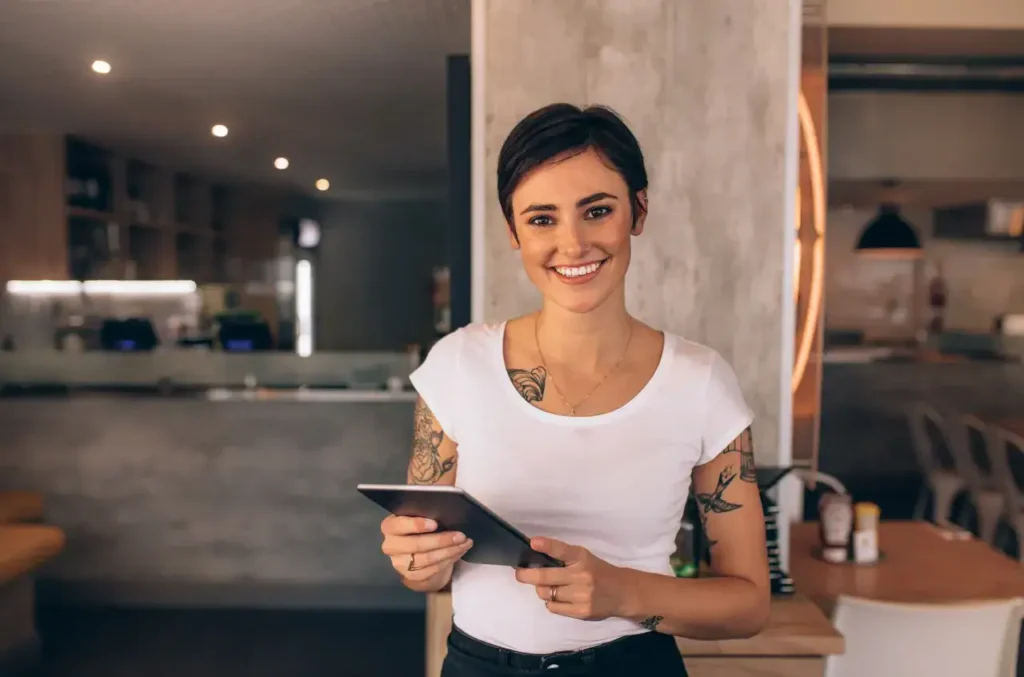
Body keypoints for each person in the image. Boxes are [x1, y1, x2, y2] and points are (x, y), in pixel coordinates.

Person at [379, 103, 770, 676]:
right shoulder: (457, 365)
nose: (573, 243)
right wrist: (416, 560)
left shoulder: (700, 381)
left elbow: (748, 603)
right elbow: (428, 572)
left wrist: (621, 592)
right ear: (513, 231)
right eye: (542, 219)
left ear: (638, 210)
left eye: (597, 211)